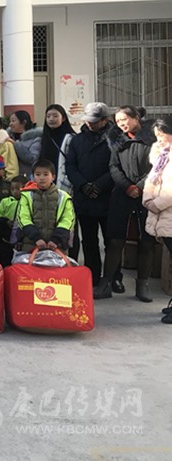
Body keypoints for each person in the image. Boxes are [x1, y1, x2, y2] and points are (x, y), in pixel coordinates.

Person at [96, 106, 156, 302]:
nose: (121, 123)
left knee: (146, 241)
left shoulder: (153, 138)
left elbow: (157, 166)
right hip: (122, 193)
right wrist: (127, 186)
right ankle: (106, 284)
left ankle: (142, 286)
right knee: (115, 240)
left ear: (136, 117)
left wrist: (140, 186)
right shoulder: (116, 139)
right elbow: (113, 166)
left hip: (147, 194)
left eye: (124, 119)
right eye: (118, 120)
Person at [65, 102, 117, 285]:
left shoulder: (116, 139)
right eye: (88, 120)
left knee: (112, 241)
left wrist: (100, 185)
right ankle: (92, 277)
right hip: (84, 197)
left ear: (105, 120)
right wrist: (83, 185)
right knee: (88, 240)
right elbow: (70, 166)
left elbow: (118, 167)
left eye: (94, 121)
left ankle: (113, 277)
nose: (89, 124)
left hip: (108, 196)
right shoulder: (77, 140)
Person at [142, 118, 172, 324]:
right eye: (157, 136)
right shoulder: (161, 155)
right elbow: (152, 180)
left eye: (162, 135)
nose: (159, 139)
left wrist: (157, 204)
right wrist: (148, 199)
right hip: (163, 214)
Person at [15, 159, 75, 254]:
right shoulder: (26, 195)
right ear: (33, 177)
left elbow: (68, 220)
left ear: (53, 177)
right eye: (38, 174)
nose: (41, 178)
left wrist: (56, 239)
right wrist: (36, 238)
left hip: (57, 246)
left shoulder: (64, 197)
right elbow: (23, 218)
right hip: (30, 245)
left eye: (46, 174)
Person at [40, 104, 77, 194]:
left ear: (63, 118)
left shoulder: (70, 138)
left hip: (64, 182)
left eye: (55, 116)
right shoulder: (44, 137)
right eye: (48, 116)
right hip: (45, 182)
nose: (51, 119)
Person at [0, 176, 27, 266]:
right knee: (4, 259)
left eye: (18, 189)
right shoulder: (5, 201)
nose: (15, 191)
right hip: (6, 237)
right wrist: (5, 221)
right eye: (12, 189)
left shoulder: (27, 203)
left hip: (21, 238)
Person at [10, 110, 44, 178]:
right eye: (10, 121)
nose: (10, 124)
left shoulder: (35, 139)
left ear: (24, 122)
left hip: (27, 177)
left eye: (13, 121)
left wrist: (16, 144)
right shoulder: (9, 137)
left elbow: (32, 159)